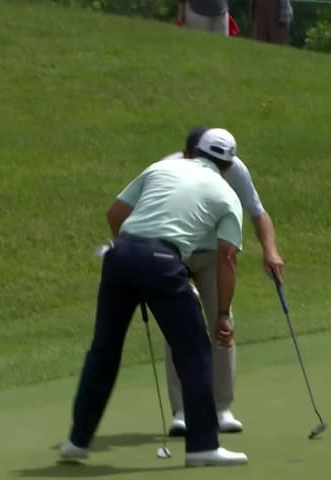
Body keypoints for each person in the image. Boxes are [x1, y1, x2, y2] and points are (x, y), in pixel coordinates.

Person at [58, 128, 248, 467]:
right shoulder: (226, 192)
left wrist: (132, 259)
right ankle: (203, 445)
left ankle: (77, 440)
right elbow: (226, 259)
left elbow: (115, 212)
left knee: (104, 350)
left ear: (192, 153)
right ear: (229, 165)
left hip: (120, 257)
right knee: (194, 350)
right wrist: (222, 314)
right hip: (163, 261)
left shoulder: (161, 168)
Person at [161, 127, 284, 436]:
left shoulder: (234, 169)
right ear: (190, 155)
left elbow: (257, 212)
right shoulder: (169, 169)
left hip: (217, 253)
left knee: (223, 322)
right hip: (176, 251)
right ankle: (183, 411)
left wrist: (270, 250)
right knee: (179, 327)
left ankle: (220, 407)